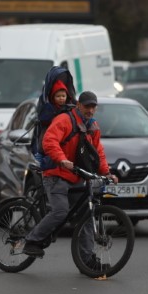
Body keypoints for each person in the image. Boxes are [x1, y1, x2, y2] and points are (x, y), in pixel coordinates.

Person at [23, 91, 119, 261]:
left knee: (87, 216)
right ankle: (31, 241)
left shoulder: (93, 126)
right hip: (56, 174)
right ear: (78, 105)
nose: (90, 110)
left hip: (76, 176)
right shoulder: (64, 120)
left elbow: (98, 152)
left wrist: (107, 173)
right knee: (60, 212)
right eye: (87, 106)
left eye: (93, 107)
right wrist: (61, 159)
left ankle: (87, 260)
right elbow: (49, 141)